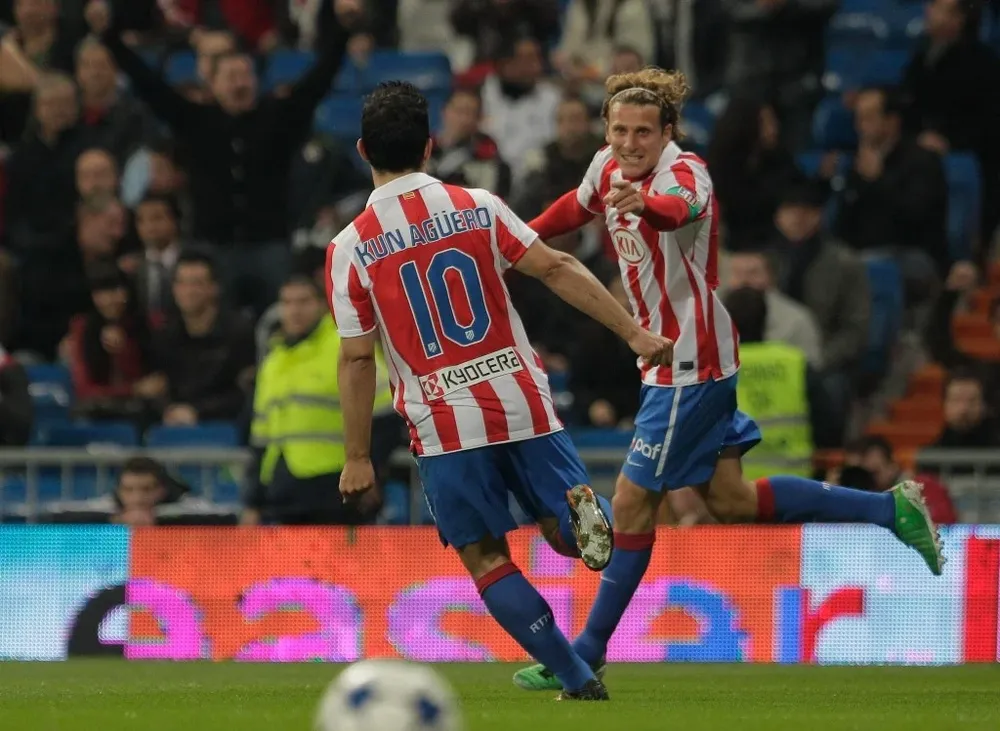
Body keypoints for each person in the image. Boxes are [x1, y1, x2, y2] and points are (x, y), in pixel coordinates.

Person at [513, 66, 945, 692]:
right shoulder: (606, 166)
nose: (630, 142)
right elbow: (574, 209)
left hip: (691, 364)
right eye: (620, 130)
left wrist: (645, 205)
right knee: (732, 502)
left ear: (668, 132)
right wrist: (518, 238)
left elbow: (673, 211)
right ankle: (890, 509)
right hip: (670, 360)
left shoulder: (686, 174)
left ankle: (584, 653)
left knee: (633, 503)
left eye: (643, 132)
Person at [327, 81, 673, 701]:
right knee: (558, 528)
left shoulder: (349, 247)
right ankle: (571, 526)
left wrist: (358, 457)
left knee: (485, 556)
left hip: (442, 421)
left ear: (362, 150)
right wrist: (634, 334)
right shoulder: (478, 205)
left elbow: (356, 359)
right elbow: (557, 267)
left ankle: (574, 676)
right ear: (431, 146)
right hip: (522, 398)